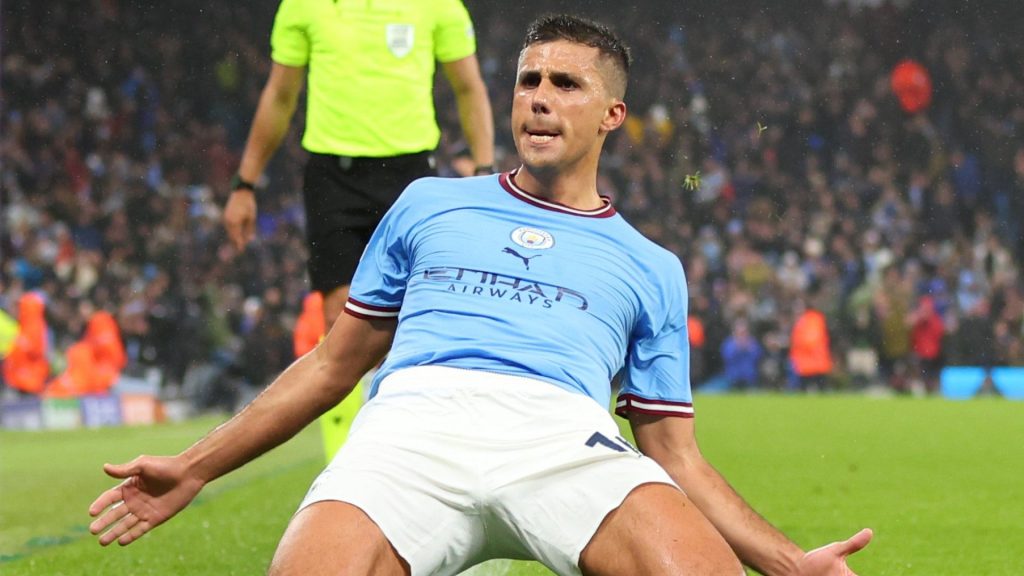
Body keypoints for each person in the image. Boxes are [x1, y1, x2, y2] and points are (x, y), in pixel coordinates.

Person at [90, 15, 871, 575]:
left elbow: (676, 455)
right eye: (528, 80)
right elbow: (333, 365)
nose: (538, 96)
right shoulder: (429, 204)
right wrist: (194, 466)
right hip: (410, 431)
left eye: (566, 84)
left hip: (565, 440)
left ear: (612, 115)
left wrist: (788, 563)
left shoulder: (651, 265)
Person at [222, 0, 495, 460]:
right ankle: (344, 466)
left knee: (412, 325)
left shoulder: (438, 6)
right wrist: (244, 183)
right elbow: (280, 95)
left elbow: (468, 88)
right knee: (340, 325)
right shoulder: (302, 8)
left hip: (411, 177)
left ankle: (409, 455)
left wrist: (486, 170)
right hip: (334, 179)